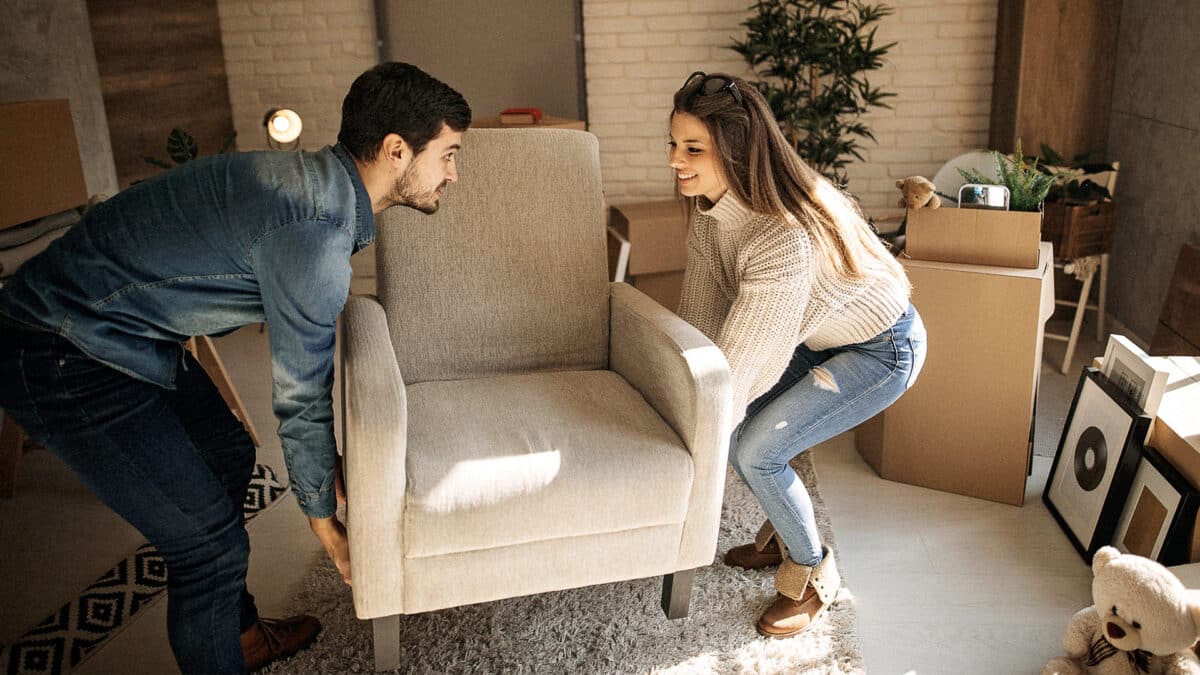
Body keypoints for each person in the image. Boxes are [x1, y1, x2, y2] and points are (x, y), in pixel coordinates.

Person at [0, 62, 470, 673]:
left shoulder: (306, 183)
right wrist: (331, 532)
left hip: (124, 328)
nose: (454, 175)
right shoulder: (314, 235)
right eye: (449, 154)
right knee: (209, 547)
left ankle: (237, 633)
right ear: (396, 149)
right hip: (57, 347)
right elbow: (301, 397)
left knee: (227, 454)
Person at [667, 71, 927, 638]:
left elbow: (737, 374)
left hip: (883, 348)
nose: (674, 161)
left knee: (755, 449)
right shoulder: (715, 212)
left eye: (692, 149)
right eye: (673, 144)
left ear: (734, 153)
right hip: (817, 336)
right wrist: (674, 390)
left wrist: (685, 442)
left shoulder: (782, 238)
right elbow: (702, 321)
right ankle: (781, 533)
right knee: (741, 438)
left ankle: (810, 575)